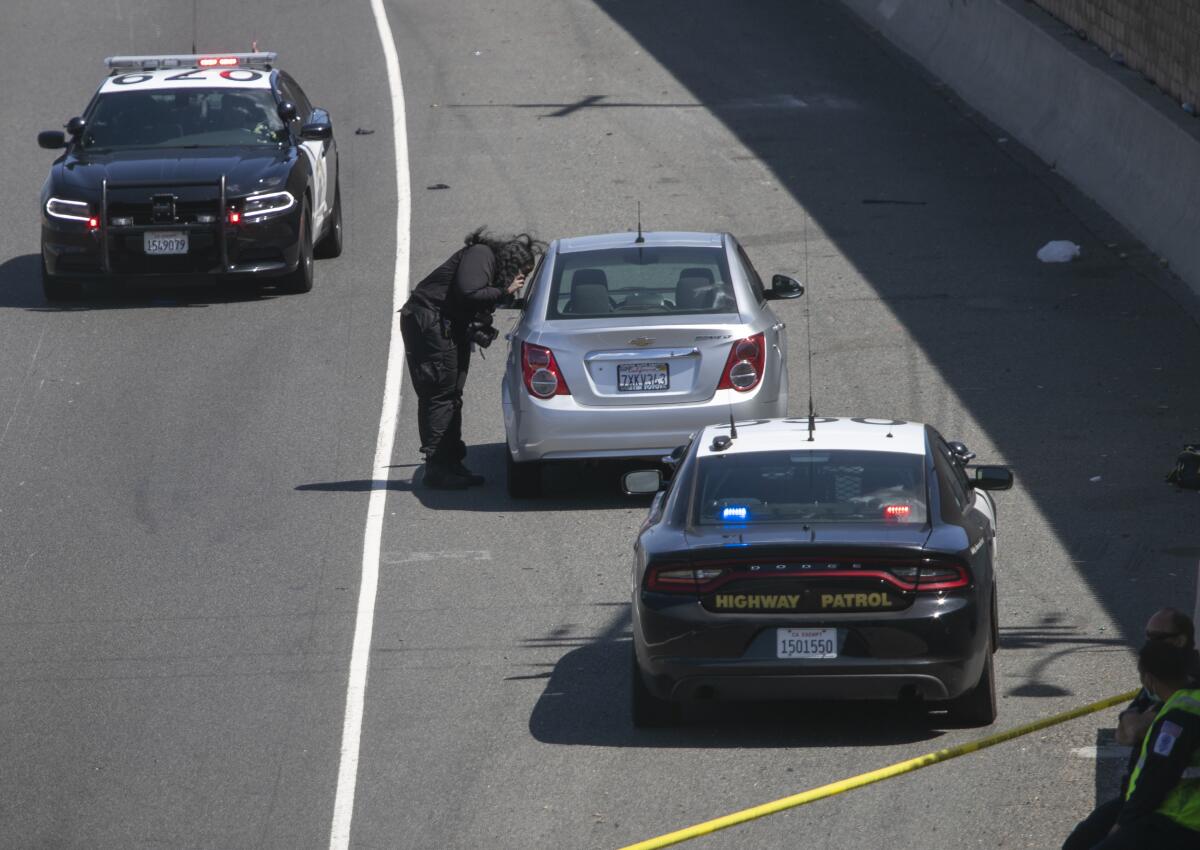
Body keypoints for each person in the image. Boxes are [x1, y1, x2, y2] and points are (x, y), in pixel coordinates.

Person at [400, 227, 543, 489]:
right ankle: (437, 467)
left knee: (453, 393)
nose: (521, 280)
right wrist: (505, 291)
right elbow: (468, 291)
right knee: (440, 393)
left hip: (445, 326)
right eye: (521, 273)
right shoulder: (482, 254)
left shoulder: (486, 265)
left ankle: (452, 461)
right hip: (429, 323)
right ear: (511, 262)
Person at [1062, 608, 1200, 849]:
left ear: (1180, 640)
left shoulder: (1181, 710)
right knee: (1079, 842)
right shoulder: (1167, 682)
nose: (1148, 642)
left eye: (1156, 637)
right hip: (1147, 804)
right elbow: (1126, 731)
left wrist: (1124, 823)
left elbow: (1156, 775)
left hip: (1173, 815)